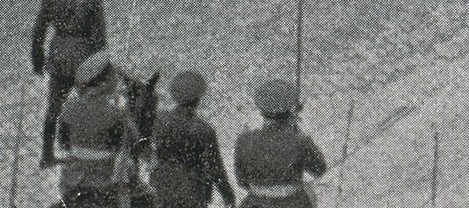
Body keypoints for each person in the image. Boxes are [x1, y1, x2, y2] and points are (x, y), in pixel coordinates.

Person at [30, 0, 107, 168]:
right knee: (89, 106)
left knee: (53, 107)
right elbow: (99, 40)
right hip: (83, 59)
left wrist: (37, 61)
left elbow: (39, 31)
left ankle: (47, 155)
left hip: (58, 55)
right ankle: (86, 151)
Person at [232, 80, 329, 208]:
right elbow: (319, 169)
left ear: (262, 111)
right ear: (290, 112)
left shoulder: (244, 140)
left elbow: (242, 182)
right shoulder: (300, 140)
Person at [55, 52, 130, 208]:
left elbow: (63, 144)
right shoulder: (116, 113)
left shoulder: (68, 108)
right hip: (104, 181)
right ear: (103, 83)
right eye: (113, 76)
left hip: (72, 179)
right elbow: (125, 145)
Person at [148, 71, 233, 208]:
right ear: (198, 98)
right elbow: (215, 168)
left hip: (163, 189)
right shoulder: (204, 129)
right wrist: (228, 195)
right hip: (193, 192)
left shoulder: (159, 121)